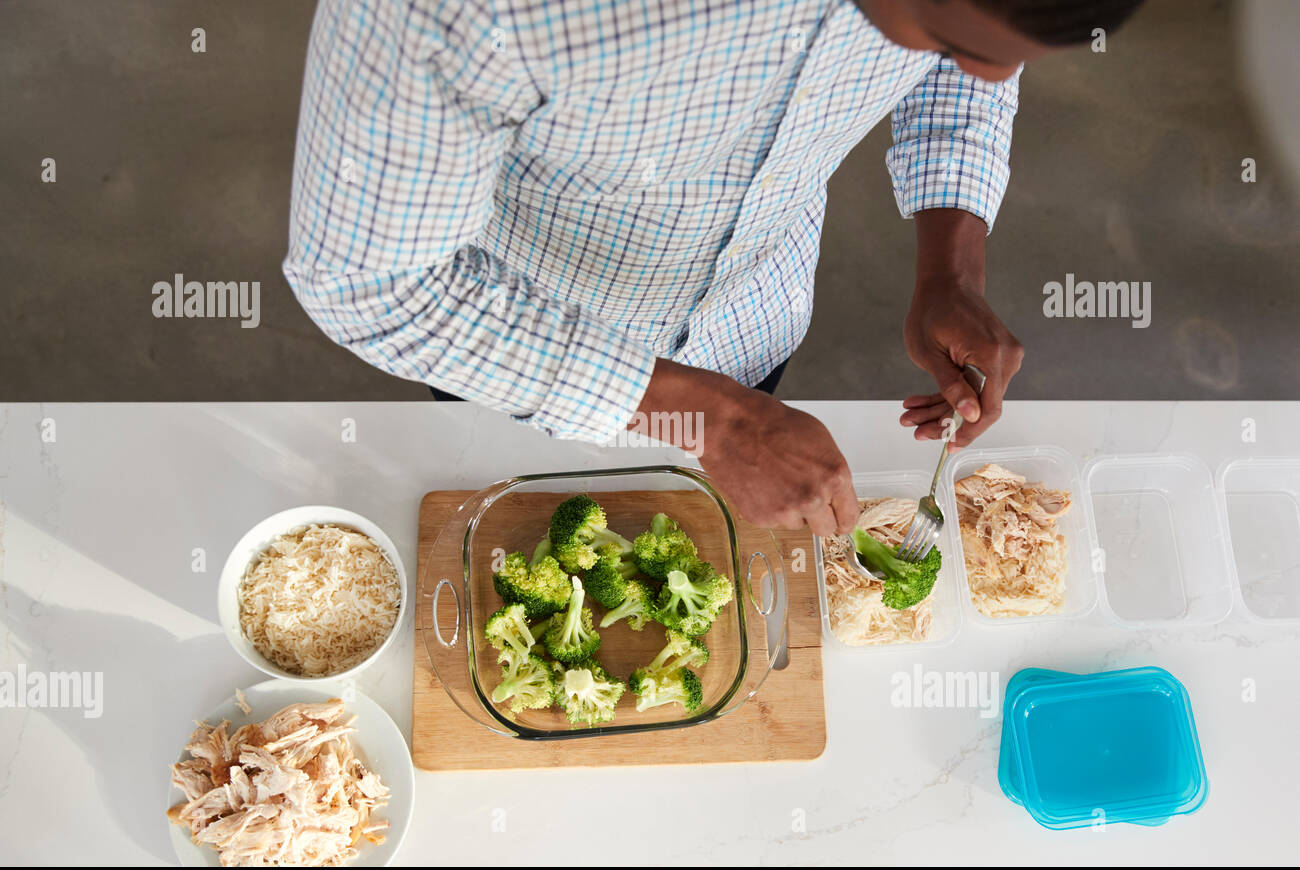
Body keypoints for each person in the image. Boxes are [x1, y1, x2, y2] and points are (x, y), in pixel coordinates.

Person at [283, 0, 1145, 536]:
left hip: (753, 316)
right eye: (944, 39)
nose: (992, 74)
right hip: (509, 342)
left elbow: (981, 60)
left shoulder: (975, 24)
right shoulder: (470, 12)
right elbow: (370, 281)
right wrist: (719, 428)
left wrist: (948, 267)